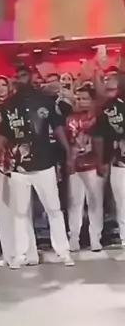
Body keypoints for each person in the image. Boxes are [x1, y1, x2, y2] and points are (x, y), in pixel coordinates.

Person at [0, 65, 74, 268]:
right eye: (17, 76)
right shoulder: (7, 106)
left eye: (23, 75)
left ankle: (63, 252)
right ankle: (21, 254)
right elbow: (0, 135)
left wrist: (69, 153)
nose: (20, 79)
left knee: (54, 209)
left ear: (31, 77)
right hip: (19, 167)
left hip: (45, 164)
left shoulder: (46, 101)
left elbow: (58, 128)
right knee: (20, 212)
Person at [67, 84, 104, 252]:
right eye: (78, 98)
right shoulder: (71, 119)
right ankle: (74, 237)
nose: (81, 102)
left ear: (92, 100)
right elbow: (70, 142)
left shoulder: (99, 118)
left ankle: (95, 238)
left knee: (95, 202)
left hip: (94, 166)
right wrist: (70, 160)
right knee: (75, 203)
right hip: (76, 167)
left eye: (85, 99)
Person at [93, 75, 125, 248]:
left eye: (112, 89)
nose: (109, 93)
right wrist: (101, 161)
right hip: (118, 162)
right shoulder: (106, 110)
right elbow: (98, 137)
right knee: (121, 202)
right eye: (107, 90)